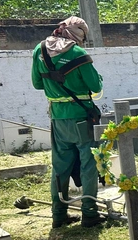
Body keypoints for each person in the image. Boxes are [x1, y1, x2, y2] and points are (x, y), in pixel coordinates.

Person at [31, 17, 104, 229]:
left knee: (60, 167)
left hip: (57, 118)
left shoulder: (40, 49)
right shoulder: (78, 53)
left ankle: (59, 215)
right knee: (88, 165)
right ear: (79, 34)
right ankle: (89, 213)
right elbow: (95, 86)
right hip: (82, 117)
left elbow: (37, 83)